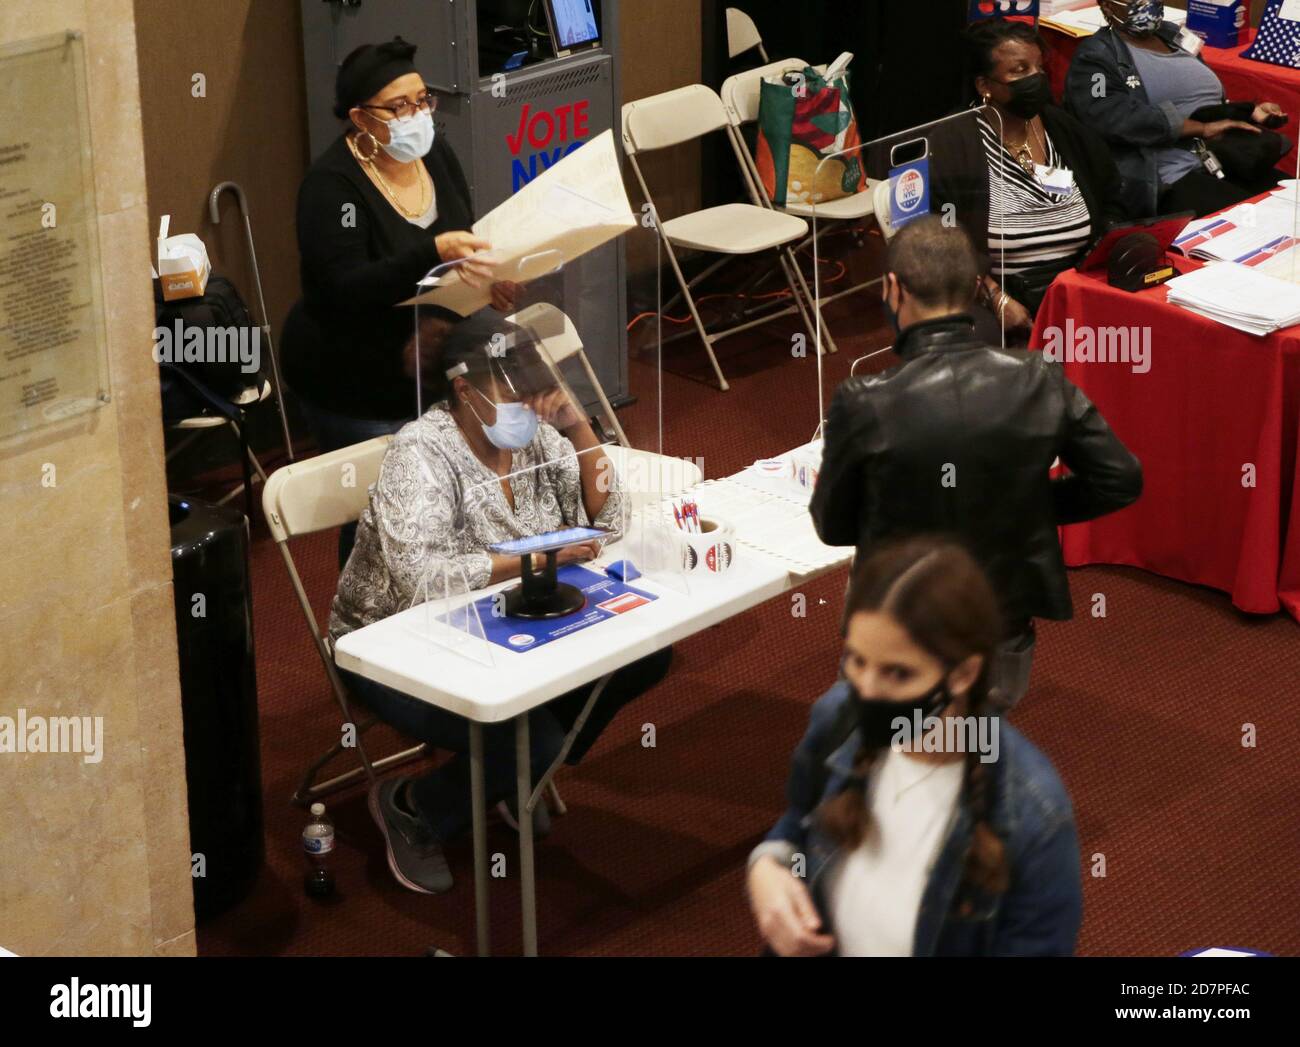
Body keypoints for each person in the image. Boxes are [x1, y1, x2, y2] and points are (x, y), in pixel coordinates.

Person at [330, 313, 672, 894]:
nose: (528, 406)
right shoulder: (422, 454)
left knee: (644, 655)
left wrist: (580, 428)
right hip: (398, 644)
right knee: (529, 736)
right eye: (511, 392)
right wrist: (541, 558)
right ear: (463, 390)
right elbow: (418, 578)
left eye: (534, 390)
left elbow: (609, 522)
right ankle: (414, 806)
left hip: (505, 621)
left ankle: (516, 777)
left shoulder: (534, 434)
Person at [810, 217, 1143, 709]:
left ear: (893, 289)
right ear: (973, 290)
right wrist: (1031, 505)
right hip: (1002, 619)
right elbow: (1120, 478)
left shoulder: (864, 400)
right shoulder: (1040, 378)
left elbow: (833, 525)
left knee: (889, 757)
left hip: (901, 622)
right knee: (977, 752)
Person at [747, 538, 1083, 956]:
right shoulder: (837, 718)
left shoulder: (1034, 813)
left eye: (898, 673)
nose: (866, 692)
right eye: (857, 660)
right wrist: (767, 866)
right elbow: (798, 821)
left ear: (963, 674)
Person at [280, 36, 512, 563]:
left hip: (430, 355)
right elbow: (345, 292)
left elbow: (460, 240)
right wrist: (429, 251)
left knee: (448, 496)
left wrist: (488, 280)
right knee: (382, 515)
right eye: (399, 106)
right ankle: (362, 623)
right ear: (361, 119)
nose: (417, 115)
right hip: (352, 370)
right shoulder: (330, 188)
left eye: (422, 99)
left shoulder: (438, 154)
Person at [939, 18, 1128, 336]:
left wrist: (1098, 261)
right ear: (984, 85)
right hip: (1001, 297)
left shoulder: (1061, 129)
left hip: (1076, 284)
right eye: (1019, 70)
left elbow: (1111, 196)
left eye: (1038, 68)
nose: (1035, 79)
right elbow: (942, 240)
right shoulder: (954, 142)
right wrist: (996, 298)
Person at [1065, 0, 1291, 217]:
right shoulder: (1095, 58)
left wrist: (1249, 111)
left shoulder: (1173, 34)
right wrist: (1200, 129)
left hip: (1222, 156)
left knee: (1289, 205)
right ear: (1107, 5)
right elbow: (1108, 115)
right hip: (1165, 173)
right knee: (1248, 219)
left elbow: (1197, 98)